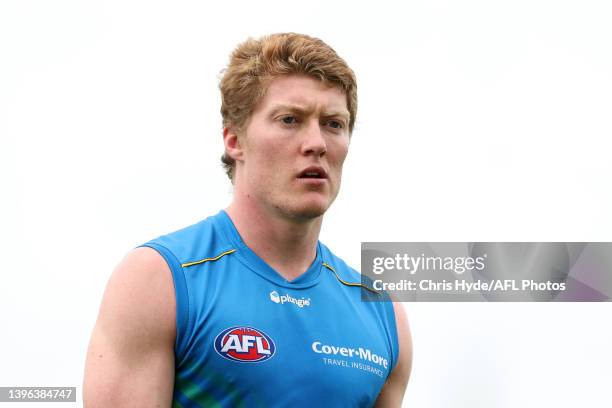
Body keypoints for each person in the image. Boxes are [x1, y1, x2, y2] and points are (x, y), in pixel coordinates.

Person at [83, 32, 412, 407]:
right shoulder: (159, 279)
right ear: (234, 140)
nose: (317, 142)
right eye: (290, 119)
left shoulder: (382, 312)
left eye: (334, 123)